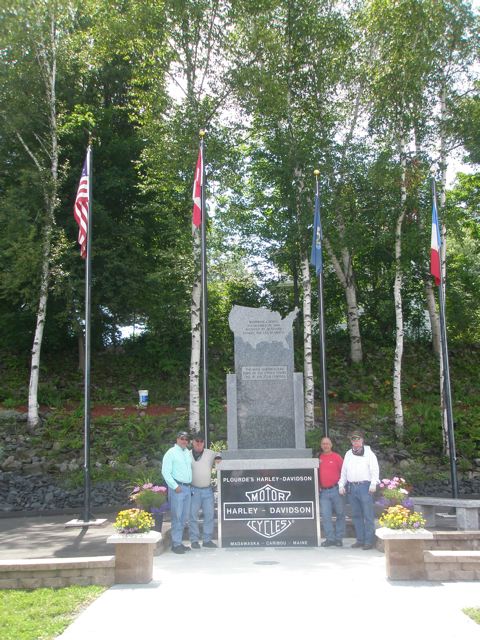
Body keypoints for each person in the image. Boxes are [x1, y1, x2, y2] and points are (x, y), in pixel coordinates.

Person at [339, 430, 379, 550]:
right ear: (351, 441)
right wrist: (341, 484)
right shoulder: (348, 454)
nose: (356, 442)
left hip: (365, 487)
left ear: (362, 440)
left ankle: (369, 541)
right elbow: (344, 471)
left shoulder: (369, 453)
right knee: (356, 515)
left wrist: (373, 483)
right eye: (353, 440)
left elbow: (374, 469)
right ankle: (360, 540)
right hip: (351, 487)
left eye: (358, 439)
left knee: (368, 515)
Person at [161, 431, 193, 554]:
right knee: (177, 516)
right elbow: (165, 472)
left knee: (184, 516)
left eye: (186, 439)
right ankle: (176, 544)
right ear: (177, 439)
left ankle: (179, 542)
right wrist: (174, 486)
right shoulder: (171, 453)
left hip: (187, 488)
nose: (184, 441)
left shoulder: (186, 453)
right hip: (178, 488)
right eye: (182, 438)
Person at [190, 433, 221, 549]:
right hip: (193, 489)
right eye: (197, 441)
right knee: (192, 516)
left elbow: (219, 454)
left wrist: (218, 458)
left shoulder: (209, 453)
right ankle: (194, 540)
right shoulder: (187, 455)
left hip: (207, 490)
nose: (199, 443)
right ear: (193, 442)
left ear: (203, 442)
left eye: (201, 441)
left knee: (209, 515)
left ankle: (207, 540)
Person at [318, 436, 345, 547]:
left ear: (331, 445)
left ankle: (338, 538)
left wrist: (342, 486)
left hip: (336, 490)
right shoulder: (318, 458)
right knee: (326, 516)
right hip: (323, 492)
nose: (325, 445)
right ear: (321, 445)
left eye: (327, 443)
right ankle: (330, 539)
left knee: (340, 514)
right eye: (323, 444)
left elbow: (344, 473)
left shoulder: (337, 457)